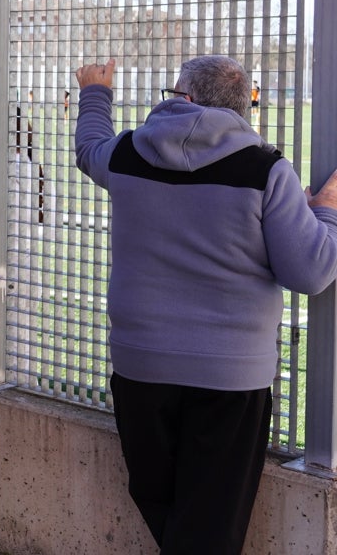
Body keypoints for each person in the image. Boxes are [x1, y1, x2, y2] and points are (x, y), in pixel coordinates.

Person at [74, 55, 337, 554]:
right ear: (243, 109)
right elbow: (312, 271)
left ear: (185, 97)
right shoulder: (266, 170)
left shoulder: (129, 153)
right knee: (210, 528)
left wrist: (96, 93)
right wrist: (325, 213)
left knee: (162, 502)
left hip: (140, 365)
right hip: (230, 379)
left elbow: (89, 149)